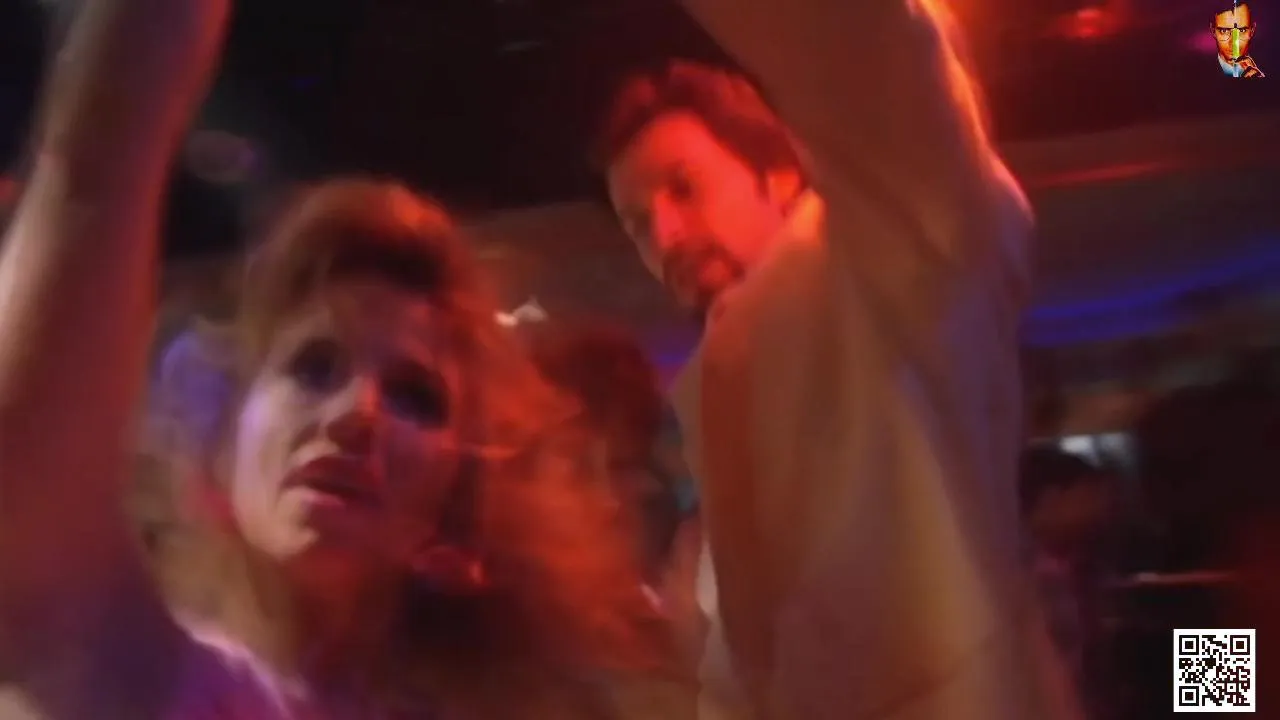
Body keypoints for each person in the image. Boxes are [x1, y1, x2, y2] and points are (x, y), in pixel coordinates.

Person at [0, 1, 660, 718]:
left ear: (453, 515)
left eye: (415, 397)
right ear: (222, 444)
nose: (357, 414)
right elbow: (90, 177)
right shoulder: (118, 667)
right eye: (312, 368)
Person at [592, 1, 1082, 718]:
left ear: (779, 171)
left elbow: (874, 57)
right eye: (637, 224)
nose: (664, 237)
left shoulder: (895, 266)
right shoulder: (720, 403)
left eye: (684, 188)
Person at [1212, 2, 1265, 78]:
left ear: (1252, 30)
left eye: (1242, 30)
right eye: (1224, 31)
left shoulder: (1272, 68)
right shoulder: (1198, 72)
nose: (1234, 44)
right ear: (1213, 31)